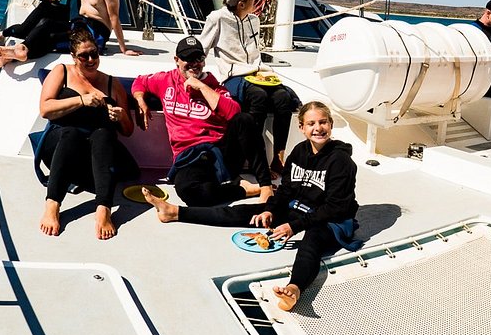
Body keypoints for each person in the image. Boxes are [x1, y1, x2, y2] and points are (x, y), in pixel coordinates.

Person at [143, 101, 358, 312]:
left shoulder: (341, 161)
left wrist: (294, 226)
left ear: (331, 124)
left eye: (323, 122)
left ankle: (294, 289)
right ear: (301, 128)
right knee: (244, 212)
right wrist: (270, 210)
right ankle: (175, 212)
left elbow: (335, 207)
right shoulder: (299, 153)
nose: (318, 128)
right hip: (298, 208)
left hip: (331, 219)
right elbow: (285, 191)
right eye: (311, 123)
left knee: (311, 241)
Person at [131, 35, 272, 206]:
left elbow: (234, 113)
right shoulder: (165, 81)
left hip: (221, 152)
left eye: (198, 58)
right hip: (189, 155)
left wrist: (202, 87)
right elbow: (140, 82)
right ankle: (244, 190)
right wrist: (140, 101)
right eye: (187, 58)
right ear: (176, 60)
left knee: (245, 119)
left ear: (204, 61)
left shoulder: (214, 86)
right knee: (189, 193)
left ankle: (265, 186)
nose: (194, 63)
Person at [36, 26, 135, 239]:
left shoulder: (111, 83)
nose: (90, 59)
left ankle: (103, 208)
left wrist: (121, 117)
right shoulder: (62, 71)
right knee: (71, 133)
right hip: (61, 145)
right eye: (84, 56)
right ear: (73, 56)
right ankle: (52, 204)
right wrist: (81, 100)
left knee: (104, 134)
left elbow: (127, 130)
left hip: (95, 157)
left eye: (94, 54)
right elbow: (45, 109)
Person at [199, 0, 301, 174]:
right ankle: (255, 159)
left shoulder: (254, 20)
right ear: (241, 3)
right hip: (234, 76)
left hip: (258, 73)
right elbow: (202, 48)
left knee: (283, 98)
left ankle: (279, 157)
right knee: (259, 97)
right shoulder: (217, 18)